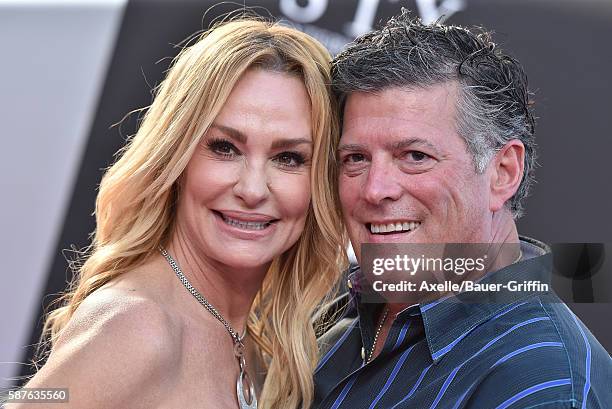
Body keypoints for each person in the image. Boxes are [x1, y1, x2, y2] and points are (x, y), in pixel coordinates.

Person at [8, 18, 347, 409]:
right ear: (177, 157)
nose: (253, 189)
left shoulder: (245, 342)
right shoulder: (137, 326)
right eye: (224, 148)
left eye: (288, 157)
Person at [313, 10, 612, 409]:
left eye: (415, 156)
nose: (375, 189)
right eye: (355, 158)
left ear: (503, 173)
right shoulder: (350, 307)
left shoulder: (546, 384)